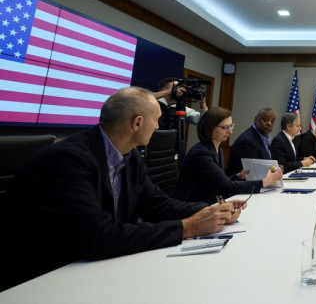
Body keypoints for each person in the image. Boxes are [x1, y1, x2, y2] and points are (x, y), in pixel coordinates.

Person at [2, 87, 241, 291]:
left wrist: (212, 211)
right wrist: (187, 227)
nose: (158, 126)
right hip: (43, 277)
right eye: (156, 120)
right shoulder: (67, 161)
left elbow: (156, 203)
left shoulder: (130, 156)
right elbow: (97, 236)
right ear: (137, 122)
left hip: (95, 265)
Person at [175, 107, 282, 204]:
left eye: (231, 126)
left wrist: (237, 176)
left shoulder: (218, 149)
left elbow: (218, 181)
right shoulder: (201, 153)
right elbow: (227, 186)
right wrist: (265, 181)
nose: (230, 131)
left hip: (208, 203)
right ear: (210, 127)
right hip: (192, 207)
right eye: (225, 127)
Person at [226, 108, 277, 176]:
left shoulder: (265, 138)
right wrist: (274, 170)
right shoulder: (247, 141)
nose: (269, 123)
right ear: (255, 120)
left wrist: (276, 168)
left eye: (272, 121)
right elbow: (251, 174)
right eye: (265, 120)